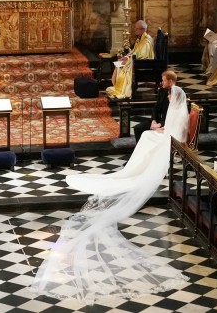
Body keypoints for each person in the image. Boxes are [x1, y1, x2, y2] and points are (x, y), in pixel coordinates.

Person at [31, 72, 189, 303]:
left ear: (172, 85)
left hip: (170, 136)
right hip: (162, 129)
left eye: (165, 83)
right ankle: (134, 166)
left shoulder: (178, 100)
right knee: (146, 134)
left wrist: (160, 129)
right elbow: (160, 113)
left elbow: (177, 126)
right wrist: (156, 124)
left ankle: (137, 166)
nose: (164, 86)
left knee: (147, 136)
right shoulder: (164, 96)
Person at [106, 20, 155, 99]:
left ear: (142, 30)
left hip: (143, 64)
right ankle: (119, 87)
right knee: (120, 63)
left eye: (136, 29)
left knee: (125, 66)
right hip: (137, 61)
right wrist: (126, 57)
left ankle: (123, 90)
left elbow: (142, 55)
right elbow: (134, 51)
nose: (134, 30)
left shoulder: (146, 42)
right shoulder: (140, 38)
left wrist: (128, 60)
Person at [132, 70, 176, 142]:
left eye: (164, 80)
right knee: (138, 128)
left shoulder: (176, 95)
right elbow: (156, 107)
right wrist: (154, 120)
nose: (162, 83)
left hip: (167, 124)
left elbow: (174, 116)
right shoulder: (162, 91)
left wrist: (160, 124)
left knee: (152, 135)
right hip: (157, 121)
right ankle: (142, 150)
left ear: (170, 81)